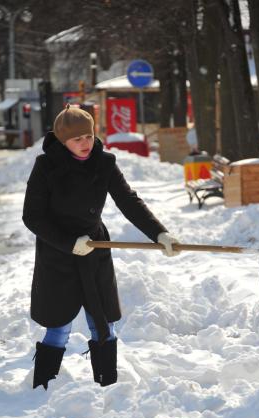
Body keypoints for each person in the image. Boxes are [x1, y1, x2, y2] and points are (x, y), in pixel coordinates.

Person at [23, 105, 179, 390]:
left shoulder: (104, 162)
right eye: (76, 139)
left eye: (88, 136)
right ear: (62, 140)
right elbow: (32, 217)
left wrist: (159, 234)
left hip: (95, 249)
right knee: (58, 326)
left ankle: (108, 388)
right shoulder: (46, 166)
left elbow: (129, 200)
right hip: (58, 252)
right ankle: (42, 389)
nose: (85, 144)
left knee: (103, 324)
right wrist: (69, 244)